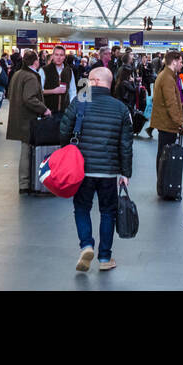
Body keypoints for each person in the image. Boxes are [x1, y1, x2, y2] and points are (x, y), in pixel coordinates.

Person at [60, 66, 132, 272]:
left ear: (94, 81)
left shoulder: (80, 102)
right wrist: (126, 173)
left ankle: (86, 245)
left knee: (82, 208)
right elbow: (126, 144)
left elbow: (64, 130)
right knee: (108, 212)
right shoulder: (120, 108)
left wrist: (67, 152)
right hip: (108, 171)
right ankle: (104, 258)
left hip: (81, 168)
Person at [7, 48, 49, 195]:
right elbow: (29, 98)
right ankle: (25, 183)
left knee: (24, 149)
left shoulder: (17, 74)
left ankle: (25, 182)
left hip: (18, 117)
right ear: (36, 61)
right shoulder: (31, 77)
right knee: (26, 151)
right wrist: (44, 109)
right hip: (28, 119)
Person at [150, 50, 183, 175]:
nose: (182, 64)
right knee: (165, 155)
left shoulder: (165, 75)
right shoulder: (168, 78)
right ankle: (164, 183)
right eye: (180, 62)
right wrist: (180, 122)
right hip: (167, 123)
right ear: (174, 62)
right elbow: (171, 103)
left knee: (163, 153)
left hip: (164, 121)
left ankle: (163, 183)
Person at [39, 44, 76, 116]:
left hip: (65, 111)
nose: (59, 57)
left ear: (64, 57)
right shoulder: (44, 70)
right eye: (56, 55)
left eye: (61, 55)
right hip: (48, 111)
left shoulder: (69, 71)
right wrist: (53, 91)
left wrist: (71, 108)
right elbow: (38, 91)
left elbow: (72, 90)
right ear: (52, 56)